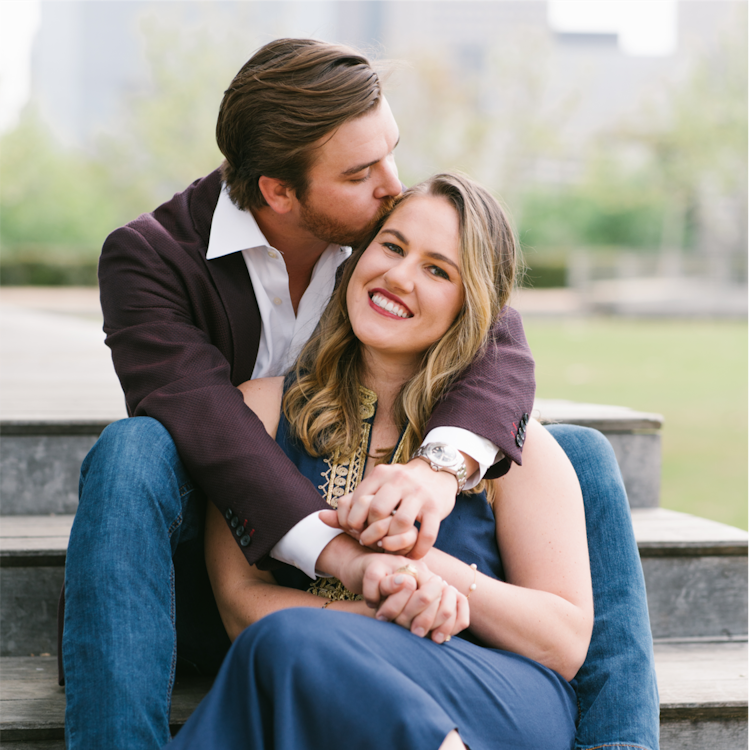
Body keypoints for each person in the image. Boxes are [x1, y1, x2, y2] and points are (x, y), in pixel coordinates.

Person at [62, 39, 659, 750]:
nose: (391, 183)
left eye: (391, 152)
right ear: (280, 192)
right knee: (133, 449)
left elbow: (492, 330)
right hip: (236, 535)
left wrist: (438, 476)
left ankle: (617, 740)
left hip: (438, 610)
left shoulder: (380, 213)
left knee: (578, 453)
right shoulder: (152, 259)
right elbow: (216, 436)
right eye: (362, 171)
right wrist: (363, 563)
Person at [169, 173, 593, 749]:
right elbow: (243, 606)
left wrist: (432, 580)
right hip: (307, 663)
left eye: (437, 269)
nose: (398, 275)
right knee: (286, 645)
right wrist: (383, 606)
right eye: (392, 247)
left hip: (488, 689)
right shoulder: (259, 412)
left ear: (471, 307)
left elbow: (563, 644)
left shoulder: (514, 448)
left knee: (291, 646)